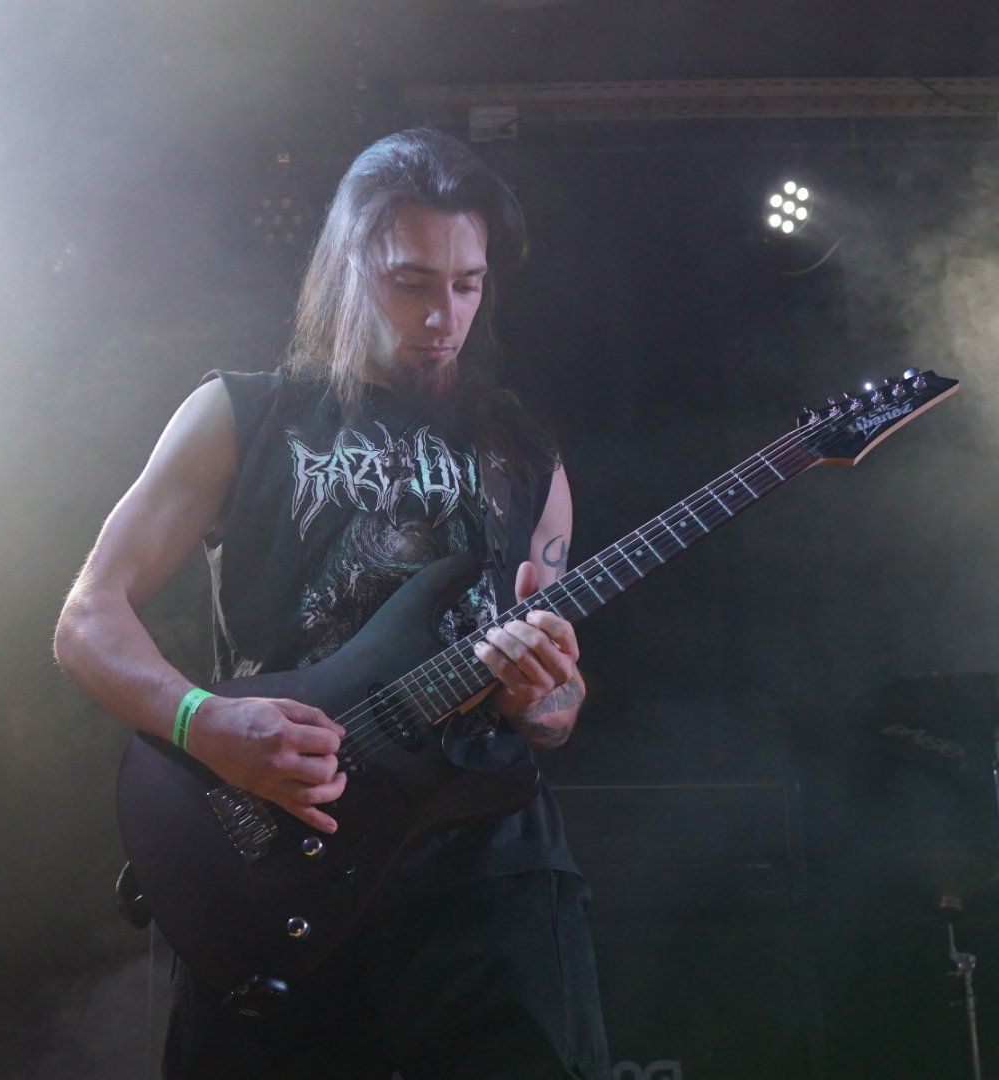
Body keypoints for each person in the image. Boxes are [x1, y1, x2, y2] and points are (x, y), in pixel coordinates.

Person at [52, 128, 609, 1079]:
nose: (443, 315)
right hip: (282, 859)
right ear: (348, 267)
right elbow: (88, 619)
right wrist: (203, 722)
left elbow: (555, 709)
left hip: (491, 877)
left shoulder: (526, 453)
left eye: (467, 285)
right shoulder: (243, 413)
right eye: (411, 282)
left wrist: (545, 694)